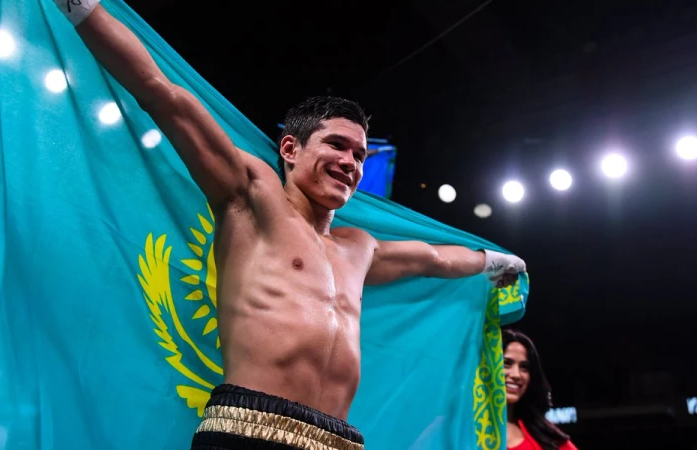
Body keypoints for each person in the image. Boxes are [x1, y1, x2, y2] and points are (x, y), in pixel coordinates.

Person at [49, 2, 527, 449]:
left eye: (360, 155)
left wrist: (496, 261)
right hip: (247, 427)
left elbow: (434, 259)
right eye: (336, 145)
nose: (351, 162)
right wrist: (82, 8)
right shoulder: (251, 197)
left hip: (338, 439)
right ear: (291, 149)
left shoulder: (360, 248)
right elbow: (164, 95)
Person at [503, 329, 578, 450]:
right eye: (506, 363)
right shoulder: (470, 429)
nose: (516, 374)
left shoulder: (548, 437)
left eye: (524, 367)